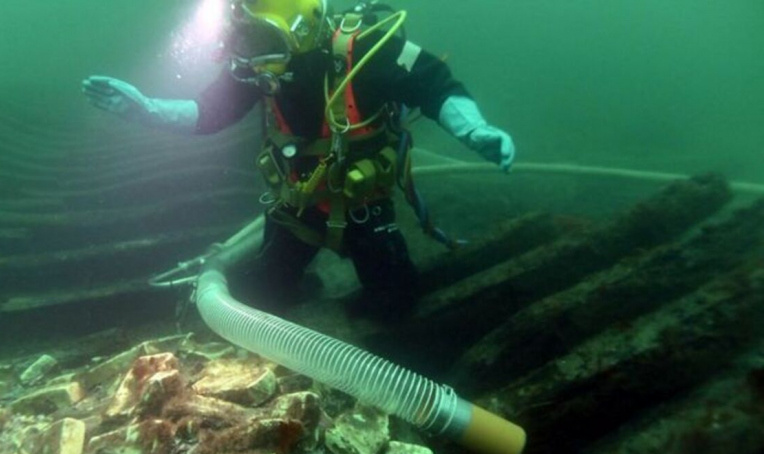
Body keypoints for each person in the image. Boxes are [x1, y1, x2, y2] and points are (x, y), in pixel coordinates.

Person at [82, 0, 514, 319]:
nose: (250, 63)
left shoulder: (368, 48)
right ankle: (302, 297)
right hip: (294, 210)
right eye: (242, 43)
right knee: (260, 296)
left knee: (398, 304)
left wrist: (473, 130)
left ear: (301, 31)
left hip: (365, 208)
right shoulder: (254, 66)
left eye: (260, 43)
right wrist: (148, 110)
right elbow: (210, 111)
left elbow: (434, 85)